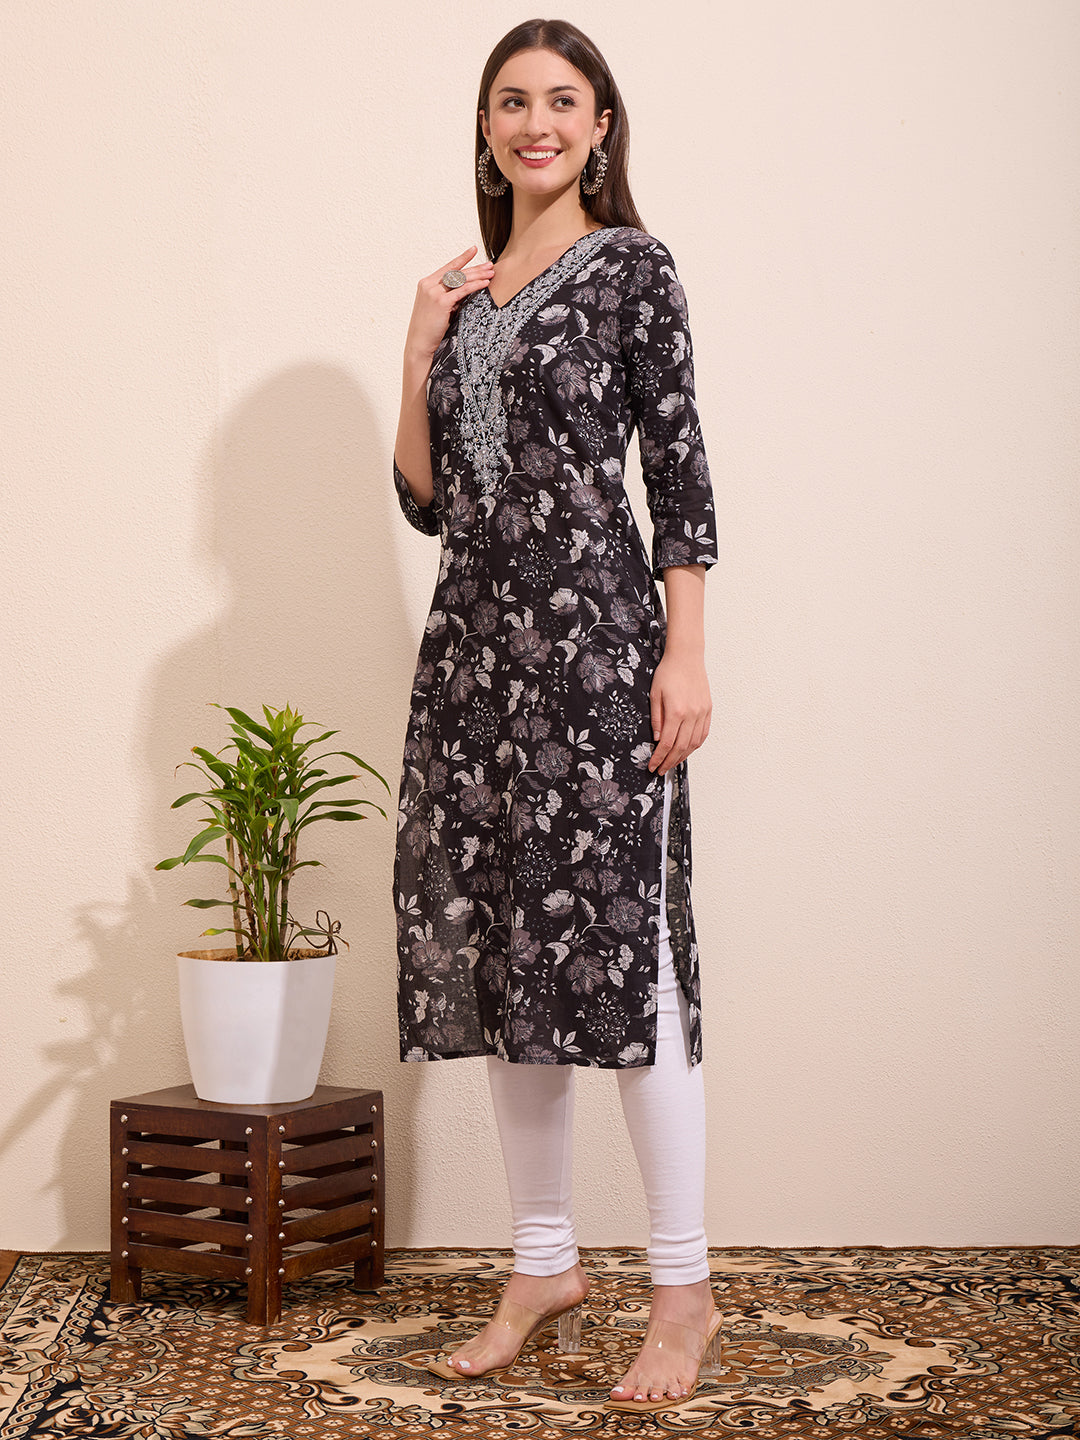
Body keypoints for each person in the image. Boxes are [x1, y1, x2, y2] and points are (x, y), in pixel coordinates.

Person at [392, 17, 722, 1410]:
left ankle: (683, 1288)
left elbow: (679, 469)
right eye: (512, 102)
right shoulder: (466, 297)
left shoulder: (635, 267)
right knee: (503, 957)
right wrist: (419, 338)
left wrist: (684, 652)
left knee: (628, 963)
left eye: (562, 100)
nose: (537, 122)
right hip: (474, 658)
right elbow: (425, 499)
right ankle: (542, 1263)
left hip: (595, 655)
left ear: (600, 126)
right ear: (486, 130)